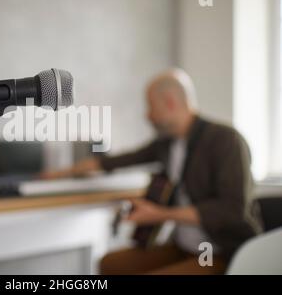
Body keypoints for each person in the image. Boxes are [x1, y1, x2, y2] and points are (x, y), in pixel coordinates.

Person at [41, 68, 262, 274]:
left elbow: (231, 210)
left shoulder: (225, 140)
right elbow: (114, 161)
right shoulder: (167, 144)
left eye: (150, 106)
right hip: (183, 245)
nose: (148, 115)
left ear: (169, 103)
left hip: (217, 251)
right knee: (109, 264)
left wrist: (159, 214)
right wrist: (59, 175)